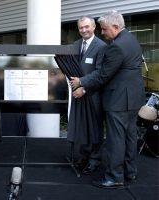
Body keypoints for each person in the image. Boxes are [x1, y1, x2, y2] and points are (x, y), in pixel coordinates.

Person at [71, 10, 145, 189]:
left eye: (104, 29)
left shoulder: (116, 46)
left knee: (116, 140)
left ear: (115, 27)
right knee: (129, 137)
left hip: (119, 100)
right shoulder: (131, 39)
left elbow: (103, 75)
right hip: (133, 98)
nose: (103, 33)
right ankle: (130, 172)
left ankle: (114, 177)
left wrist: (81, 81)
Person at [73, 16, 106, 175]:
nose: (84, 30)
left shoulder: (102, 47)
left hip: (93, 94)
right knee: (82, 126)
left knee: (95, 128)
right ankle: (84, 156)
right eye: (81, 28)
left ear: (94, 27)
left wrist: (83, 86)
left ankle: (95, 159)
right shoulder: (76, 45)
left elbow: (101, 73)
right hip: (77, 94)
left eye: (87, 27)